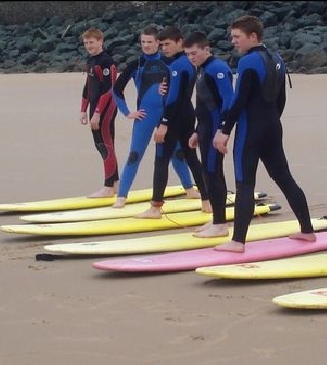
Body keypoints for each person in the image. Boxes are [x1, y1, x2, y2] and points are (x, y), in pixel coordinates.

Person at [212, 15, 316, 252]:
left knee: (244, 183)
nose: (233, 41)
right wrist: (270, 122)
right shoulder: (278, 59)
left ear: (253, 37)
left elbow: (239, 101)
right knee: (284, 178)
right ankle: (307, 230)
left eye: (237, 37)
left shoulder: (248, 62)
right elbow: (281, 99)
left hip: (251, 131)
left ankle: (237, 242)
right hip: (272, 127)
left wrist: (224, 131)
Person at [111, 25, 201, 209]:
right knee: (135, 155)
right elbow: (116, 89)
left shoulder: (169, 62)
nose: (146, 45)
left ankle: (189, 189)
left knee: (177, 154)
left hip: (167, 117)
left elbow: (180, 87)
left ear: (158, 43)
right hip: (145, 116)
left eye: (150, 42)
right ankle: (121, 196)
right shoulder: (136, 64)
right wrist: (128, 112)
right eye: (143, 42)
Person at [135, 26, 210, 219]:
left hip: (174, 117)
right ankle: (207, 201)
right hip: (187, 115)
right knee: (192, 158)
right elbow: (176, 92)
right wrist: (164, 88)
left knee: (161, 160)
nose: (164, 49)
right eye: (162, 45)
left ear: (180, 42)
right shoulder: (187, 62)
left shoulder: (177, 66)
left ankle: (155, 208)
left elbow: (174, 98)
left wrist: (164, 124)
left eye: (167, 44)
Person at [184, 31, 236, 237]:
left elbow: (228, 101)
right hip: (205, 129)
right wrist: (197, 130)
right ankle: (217, 219)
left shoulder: (218, 69)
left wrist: (223, 130)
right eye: (188, 54)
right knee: (208, 173)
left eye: (194, 53)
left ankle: (221, 224)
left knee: (213, 173)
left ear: (207, 49)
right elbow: (203, 105)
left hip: (215, 129)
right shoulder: (201, 70)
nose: (191, 57)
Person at [79, 28, 119, 198]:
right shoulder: (91, 61)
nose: (89, 46)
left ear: (100, 41)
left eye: (92, 42)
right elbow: (88, 87)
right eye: (86, 43)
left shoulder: (106, 62)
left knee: (105, 145)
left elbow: (108, 89)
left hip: (106, 108)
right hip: (95, 107)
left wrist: (97, 113)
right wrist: (82, 109)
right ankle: (115, 183)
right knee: (101, 145)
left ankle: (108, 187)